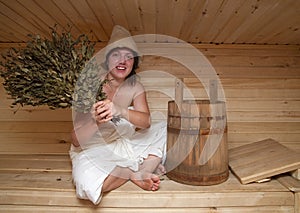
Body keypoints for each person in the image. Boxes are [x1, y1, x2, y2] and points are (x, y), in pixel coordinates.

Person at [69, 25, 167, 205]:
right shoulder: (90, 86)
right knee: (87, 184)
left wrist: (120, 110)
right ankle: (134, 172)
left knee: (162, 128)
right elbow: (76, 140)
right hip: (94, 147)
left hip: (123, 141)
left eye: (128, 56)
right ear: (107, 60)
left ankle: (142, 170)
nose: (122, 61)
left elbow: (146, 122)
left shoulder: (135, 86)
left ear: (134, 62)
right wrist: (97, 121)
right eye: (116, 55)